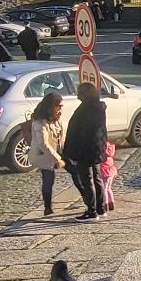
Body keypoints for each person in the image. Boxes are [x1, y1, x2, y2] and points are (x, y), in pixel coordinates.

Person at [63, 81, 108, 219]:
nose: (77, 95)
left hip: (85, 151)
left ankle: (92, 211)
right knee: (97, 178)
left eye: (79, 92)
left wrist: (73, 151)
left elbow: (81, 132)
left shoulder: (87, 109)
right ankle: (101, 208)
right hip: (96, 149)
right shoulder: (98, 108)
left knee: (87, 180)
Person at [28, 90, 64, 217]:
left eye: (61, 106)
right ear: (50, 107)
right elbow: (43, 144)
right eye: (58, 106)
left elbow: (60, 137)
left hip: (56, 153)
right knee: (48, 179)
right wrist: (57, 159)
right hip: (44, 157)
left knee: (76, 172)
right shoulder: (39, 123)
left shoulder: (55, 119)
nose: (60, 109)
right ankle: (47, 208)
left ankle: (89, 201)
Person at [99, 138, 117, 212]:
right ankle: (111, 203)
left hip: (105, 173)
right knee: (109, 188)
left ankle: (105, 204)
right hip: (111, 172)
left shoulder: (103, 155)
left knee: (104, 189)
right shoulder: (110, 152)